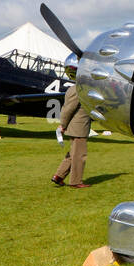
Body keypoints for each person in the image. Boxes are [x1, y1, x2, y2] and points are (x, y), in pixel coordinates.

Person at [52, 55, 92, 188]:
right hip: (78, 127)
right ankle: (75, 182)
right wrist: (62, 125)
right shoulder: (78, 89)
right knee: (79, 156)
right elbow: (67, 109)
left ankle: (58, 176)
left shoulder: (74, 88)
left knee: (72, 154)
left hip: (76, 126)